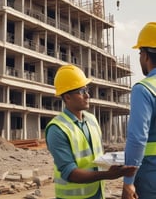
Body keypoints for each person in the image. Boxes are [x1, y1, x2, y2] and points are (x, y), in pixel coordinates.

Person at [45, 64, 137, 199]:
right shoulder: (57, 129)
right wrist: (108, 175)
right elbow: (70, 173)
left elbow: (97, 157)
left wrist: (117, 162)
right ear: (67, 97)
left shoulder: (92, 120)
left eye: (87, 90)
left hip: (98, 193)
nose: (87, 95)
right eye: (81, 91)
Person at [122, 22, 156, 199]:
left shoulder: (144, 89)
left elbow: (137, 139)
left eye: (140, 52)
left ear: (146, 55)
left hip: (151, 178)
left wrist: (128, 182)